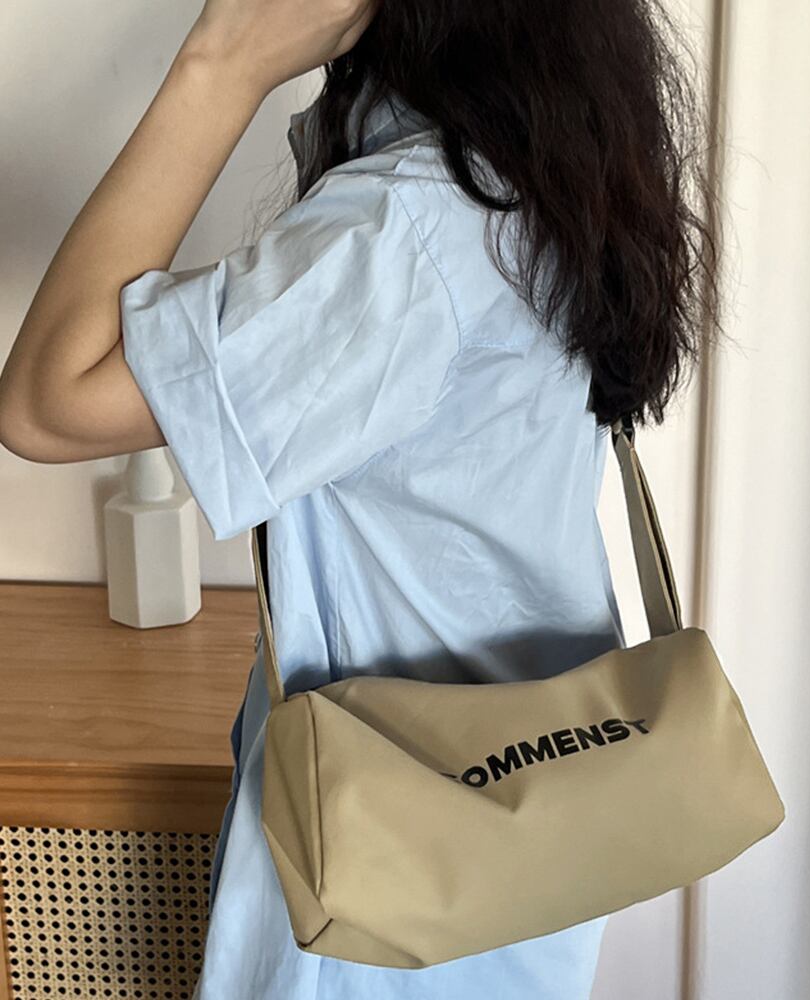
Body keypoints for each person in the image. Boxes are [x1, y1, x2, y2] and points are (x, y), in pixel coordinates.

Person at [0, 0, 721, 996]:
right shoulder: (547, 167)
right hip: (531, 822)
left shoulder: (406, 229)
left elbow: (47, 399)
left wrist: (219, 65)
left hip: (386, 870)